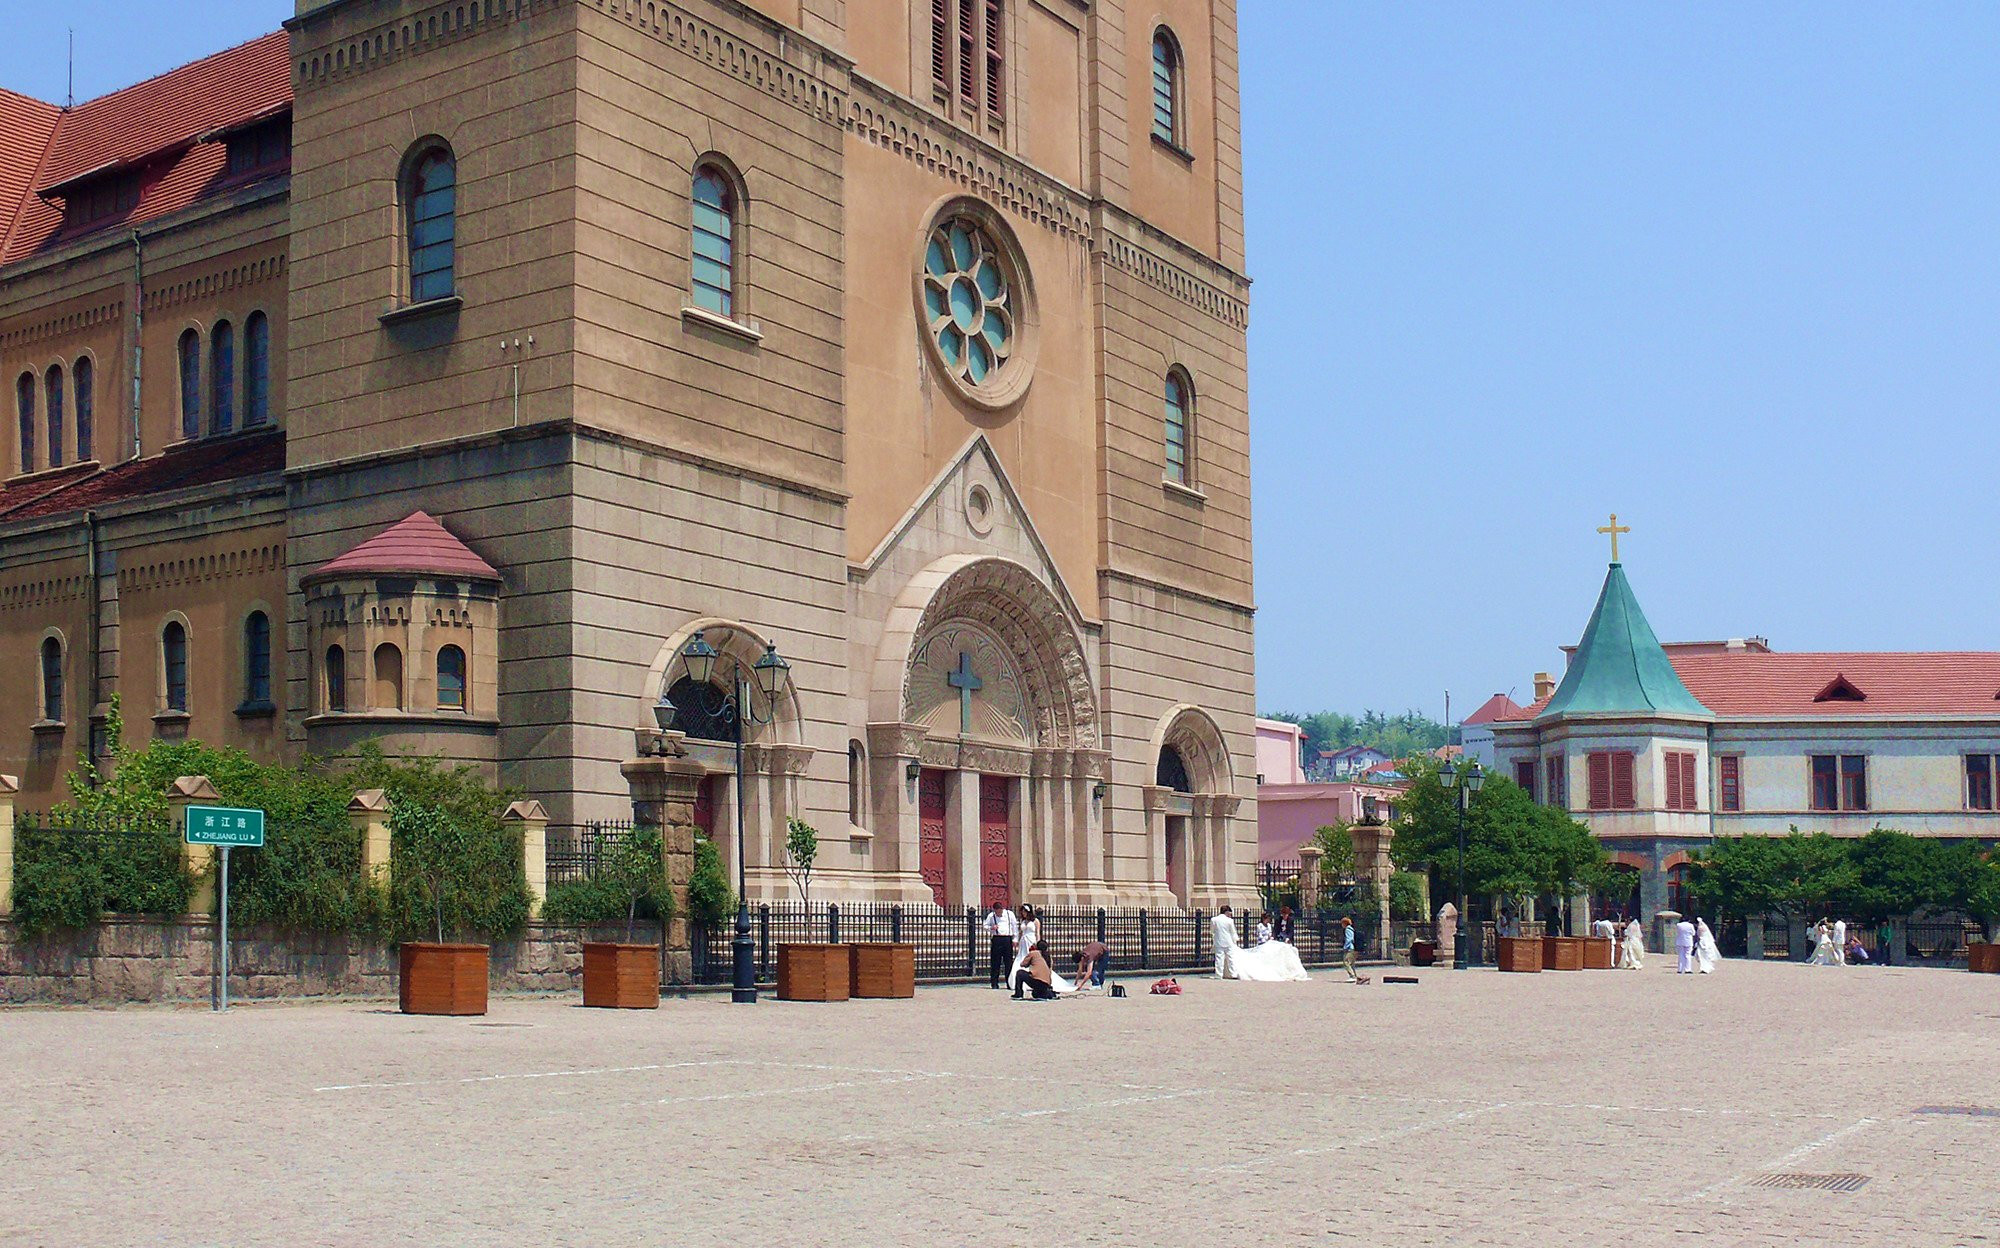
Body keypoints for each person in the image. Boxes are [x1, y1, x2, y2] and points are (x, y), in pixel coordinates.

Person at [983, 900, 1017, 991]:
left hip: (1007, 938)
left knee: (1008, 962)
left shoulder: (1010, 914)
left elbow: (1014, 926)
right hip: (997, 938)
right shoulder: (991, 916)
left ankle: (1009, 982)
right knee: (995, 962)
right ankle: (994, 982)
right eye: (997, 912)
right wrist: (991, 928)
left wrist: (1015, 938)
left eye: (1000, 911)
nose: (999, 913)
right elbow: (985, 925)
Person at [1008, 904, 1040, 999]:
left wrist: (1037, 943)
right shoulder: (1023, 921)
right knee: (1020, 957)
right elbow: (1020, 932)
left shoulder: (1035, 921)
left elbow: (1037, 933)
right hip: (1023, 941)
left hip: (1031, 940)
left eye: (1025, 911)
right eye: (1022, 912)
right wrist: (1016, 940)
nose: (1023, 913)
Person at [1211, 905, 1239, 979]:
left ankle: (1219, 974)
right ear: (1226, 912)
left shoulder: (1214, 919)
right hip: (1228, 941)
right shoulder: (1230, 920)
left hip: (1219, 941)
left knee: (1219, 959)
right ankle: (1233, 974)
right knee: (1231, 958)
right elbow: (1233, 932)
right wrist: (1235, 941)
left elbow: (1212, 930)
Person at [1339, 916, 1361, 982]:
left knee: (1346, 962)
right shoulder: (1351, 929)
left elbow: (1349, 939)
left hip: (1350, 948)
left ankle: (1352, 976)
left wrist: (1345, 947)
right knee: (1351, 963)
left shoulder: (1348, 930)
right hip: (1353, 948)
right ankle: (1354, 976)